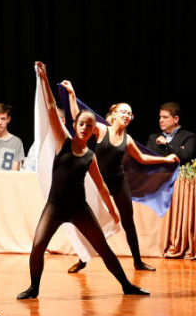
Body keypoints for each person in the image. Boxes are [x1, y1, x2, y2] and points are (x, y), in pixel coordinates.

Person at [17, 62, 149, 299]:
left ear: (92, 130)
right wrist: (44, 79)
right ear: (74, 125)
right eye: (82, 124)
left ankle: (126, 286)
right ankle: (34, 288)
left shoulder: (90, 156)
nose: (85, 128)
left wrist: (113, 211)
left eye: (90, 125)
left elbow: (102, 187)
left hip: (79, 209)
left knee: (103, 248)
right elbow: (50, 107)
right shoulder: (62, 140)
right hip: (55, 206)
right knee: (37, 246)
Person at [60, 81, 180, 273]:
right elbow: (77, 117)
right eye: (123, 111)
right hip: (98, 182)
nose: (126, 115)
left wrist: (165, 159)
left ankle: (138, 262)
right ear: (114, 114)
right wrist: (72, 95)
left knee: (128, 222)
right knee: (88, 221)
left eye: (129, 113)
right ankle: (82, 260)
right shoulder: (101, 129)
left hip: (118, 182)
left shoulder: (128, 139)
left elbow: (142, 158)